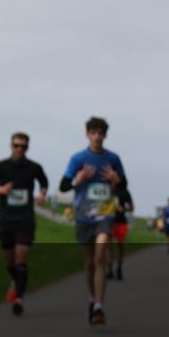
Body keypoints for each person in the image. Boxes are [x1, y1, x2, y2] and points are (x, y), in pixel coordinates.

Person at [59, 116, 127, 325]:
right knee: (89, 262)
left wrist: (116, 180)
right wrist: (78, 180)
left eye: (101, 133)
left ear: (105, 135)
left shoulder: (113, 159)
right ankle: (91, 297)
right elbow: (63, 186)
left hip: (105, 215)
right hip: (83, 216)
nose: (97, 137)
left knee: (99, 257)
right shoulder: (78, 159)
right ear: (87, 134)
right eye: (93, 133)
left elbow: (123, 186)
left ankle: (99, 306)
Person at [0, 132, 49, 316]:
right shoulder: (1, 167)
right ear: (10, 146)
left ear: (28, 148)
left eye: (23, 146)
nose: (19, 149)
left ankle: (19, 299)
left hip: (25, 219)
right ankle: (16, 282)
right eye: (16, 145)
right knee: (10, 262)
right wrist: (1, 189)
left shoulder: (34, 167)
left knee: (21, 259)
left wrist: (43, 193)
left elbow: (44, 181)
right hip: (6, 219)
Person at [108, 184, 134, 280]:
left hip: (121, 222)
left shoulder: (124, 191)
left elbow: (132, 207)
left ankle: (119, 268)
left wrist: (123, 209)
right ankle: (110, 269)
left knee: (120, 246)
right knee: (108, 245)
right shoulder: (106, 188)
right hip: (108, 221)